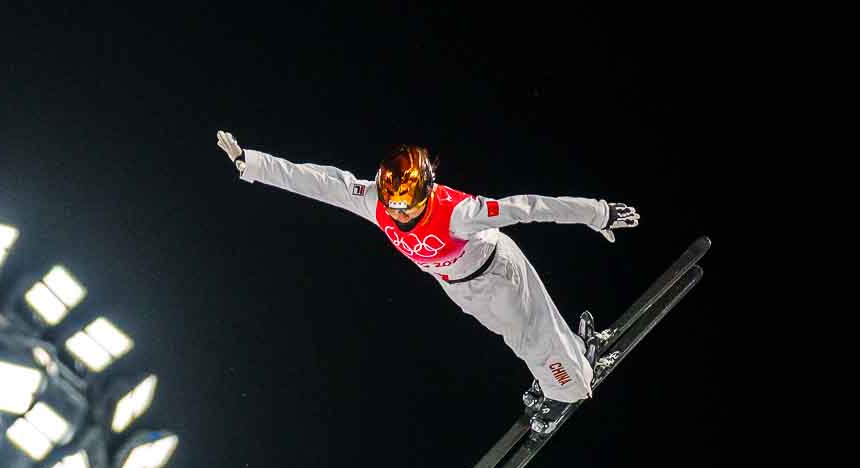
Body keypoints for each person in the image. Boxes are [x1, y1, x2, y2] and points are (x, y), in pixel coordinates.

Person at [215, 132, 639, 422]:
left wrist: (597, 213)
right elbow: (321, 182)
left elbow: (528, 207)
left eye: (407, 206)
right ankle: (571, 362)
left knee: (530, 335)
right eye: (393, 204)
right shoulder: (374, 201)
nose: (399, 215)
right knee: (518, 336)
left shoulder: (456, 212)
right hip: (457, 286)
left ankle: (565, 387)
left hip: (497, 272)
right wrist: (251, 163)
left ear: (427, 192)